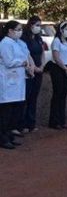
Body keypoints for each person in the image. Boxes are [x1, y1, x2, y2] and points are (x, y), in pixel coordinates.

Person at [0, 21, 30, 149]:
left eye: (21, 30)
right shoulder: (5, 43)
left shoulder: (16, 43)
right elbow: (8, 62)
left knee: (13, 111)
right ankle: (2, 138)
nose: (20, 32)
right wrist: (22, 62)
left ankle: (9, 136)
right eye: (17, 29)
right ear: (10, 31)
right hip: (8, 81)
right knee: (5, 113)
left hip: (17, 81)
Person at [21, 16, 45, 133]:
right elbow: (26, 55)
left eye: (40, 25)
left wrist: (41, 66)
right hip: (29, 71)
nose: (38, 28)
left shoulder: (38, 39)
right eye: (37, 25)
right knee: (26, 97)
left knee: (34, 97)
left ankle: (31, 122)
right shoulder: (24, 39)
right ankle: (23, 123)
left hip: (39, 70)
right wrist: (34, 68)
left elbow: (42, 53)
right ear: (30, 25)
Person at [48, 21, 67, 130]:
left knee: (64, 94)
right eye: (66, 29)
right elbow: (56, 57)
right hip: (58, 68)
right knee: (57, 94)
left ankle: (62, 119)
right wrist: (65, 68)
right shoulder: (56, 41)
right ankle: (54, 121)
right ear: (61, 30)